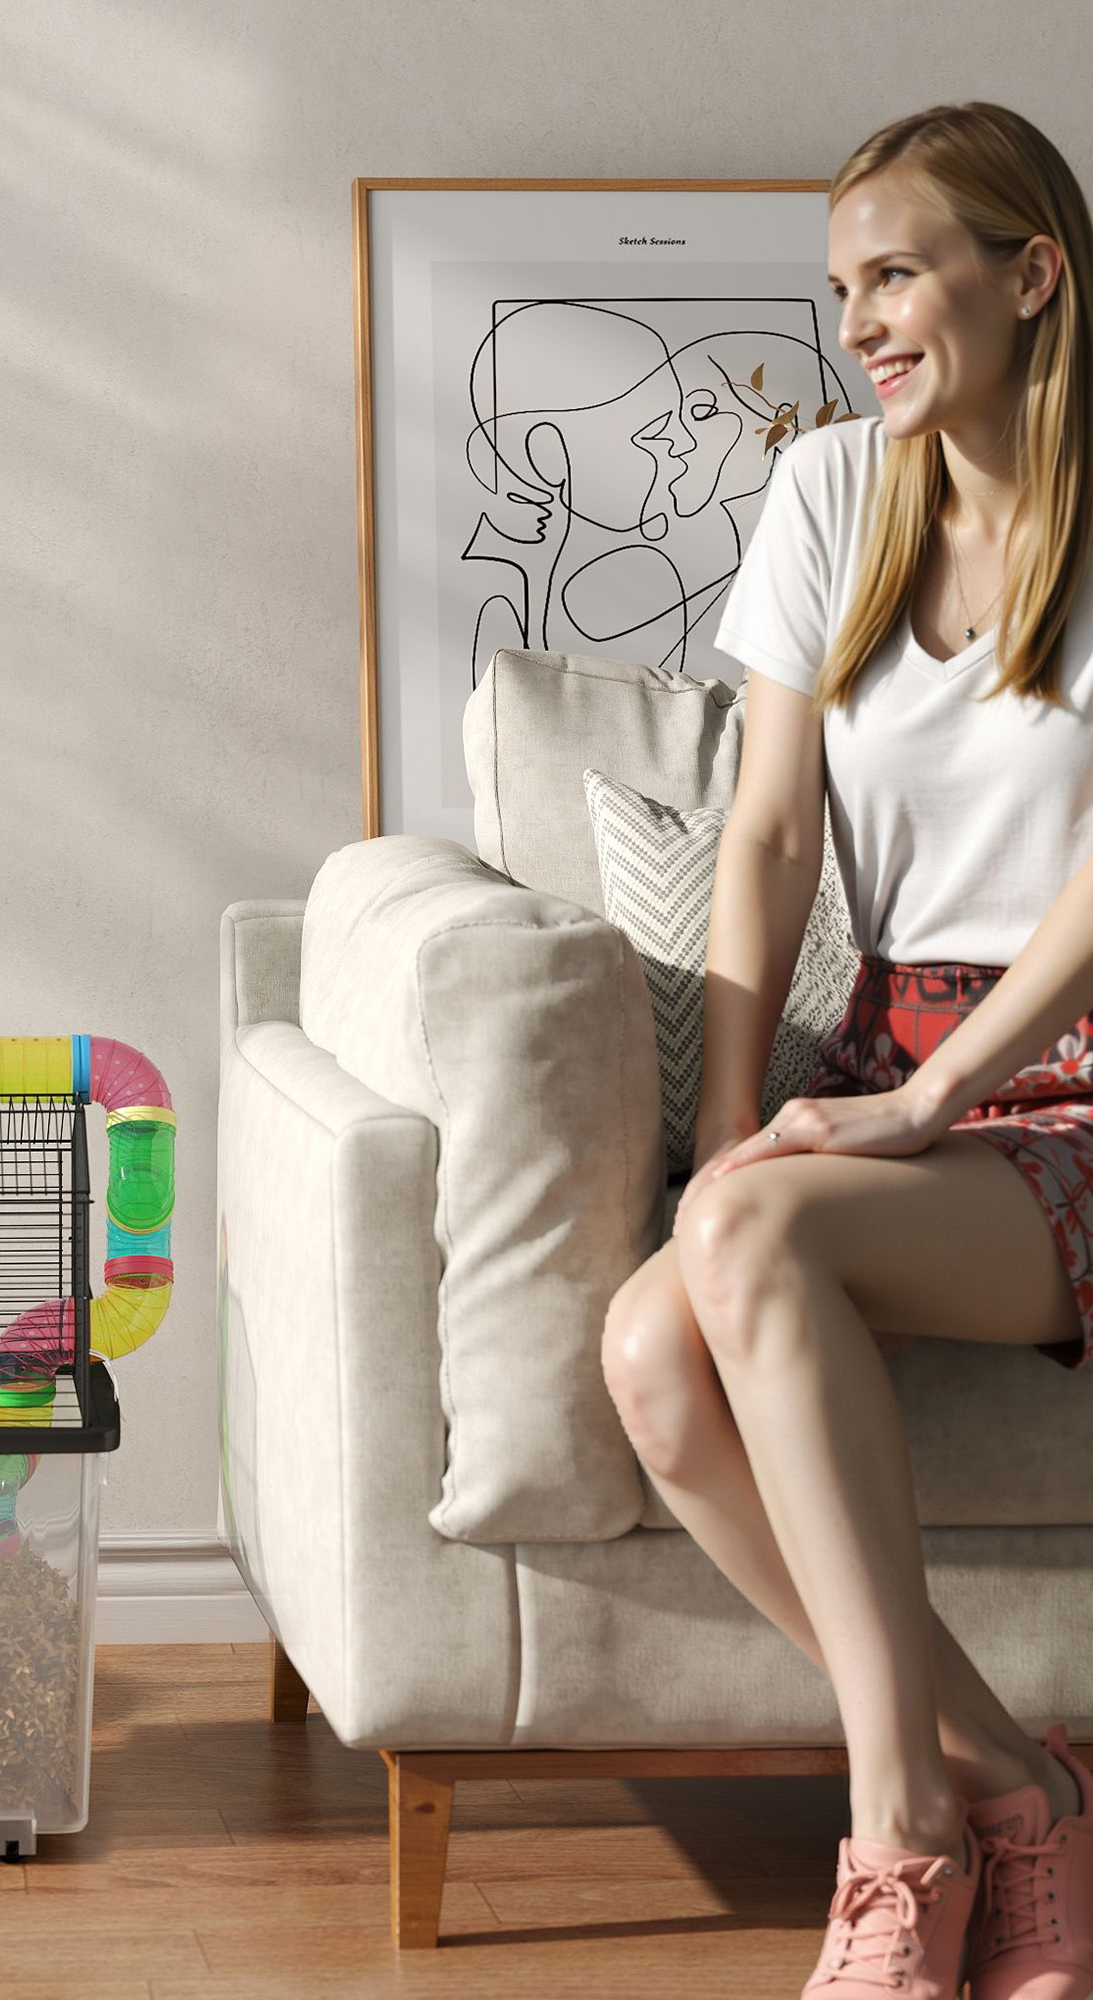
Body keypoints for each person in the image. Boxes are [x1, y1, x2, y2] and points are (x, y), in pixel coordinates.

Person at [601, 101, 1093, 2000]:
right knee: (654, 1352)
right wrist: (730, 1128)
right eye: (842, 289)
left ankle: (900, 1843)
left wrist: (931, 1098)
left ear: (1029, 274)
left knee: (733, 1260)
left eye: (898, 273)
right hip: (891, 1055)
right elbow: (770, 831)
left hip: (1061, 1080)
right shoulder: (830, 490)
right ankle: (1020, 1788)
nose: (861, 323)